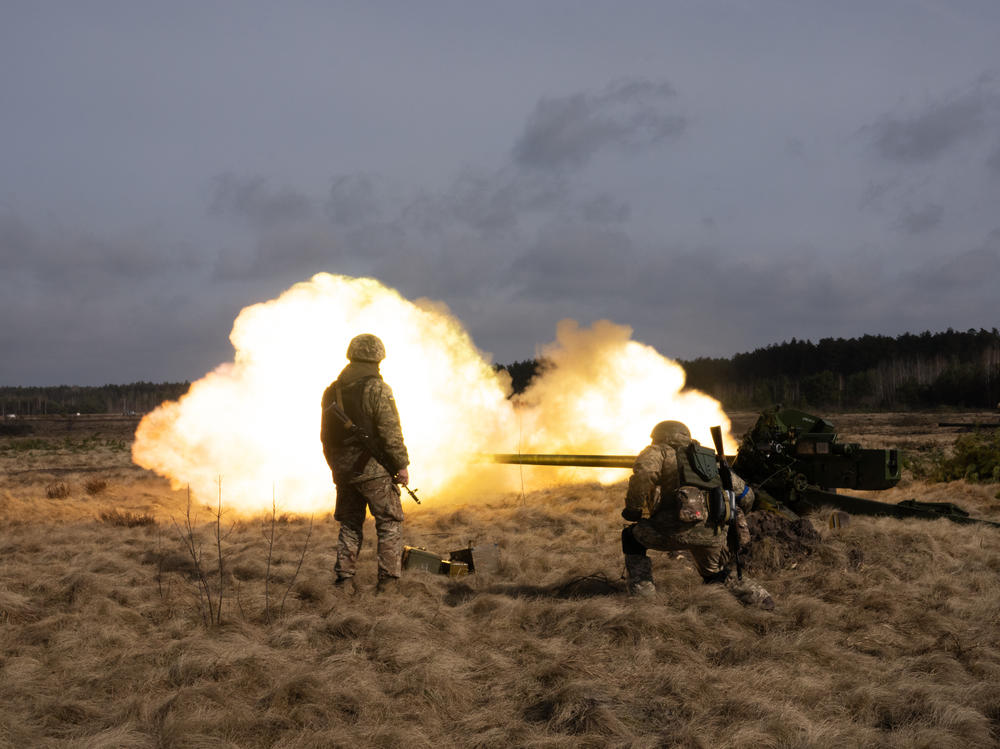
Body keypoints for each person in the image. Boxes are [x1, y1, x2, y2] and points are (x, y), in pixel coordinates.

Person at [620, 420, 774, 609]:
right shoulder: (709, 459)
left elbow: (644, 475)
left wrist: (633, 510)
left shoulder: (658, 451)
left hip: (670, 530)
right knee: (714, 574)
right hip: (713, 534)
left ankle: (643, 600)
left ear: (660, 436)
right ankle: (760, 598)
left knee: (631, 538)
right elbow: (747, 495)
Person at [321, 333, 410, 593]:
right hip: (372, 471)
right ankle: (388, 584)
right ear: (378, 357)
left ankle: (344, 581)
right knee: (389, 523)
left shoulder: (331, 391)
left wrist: (338, 468)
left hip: (344, 472)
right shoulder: (378, 389)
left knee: (350, 524)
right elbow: (391, 431)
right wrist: (401, 465)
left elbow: (326, 437)